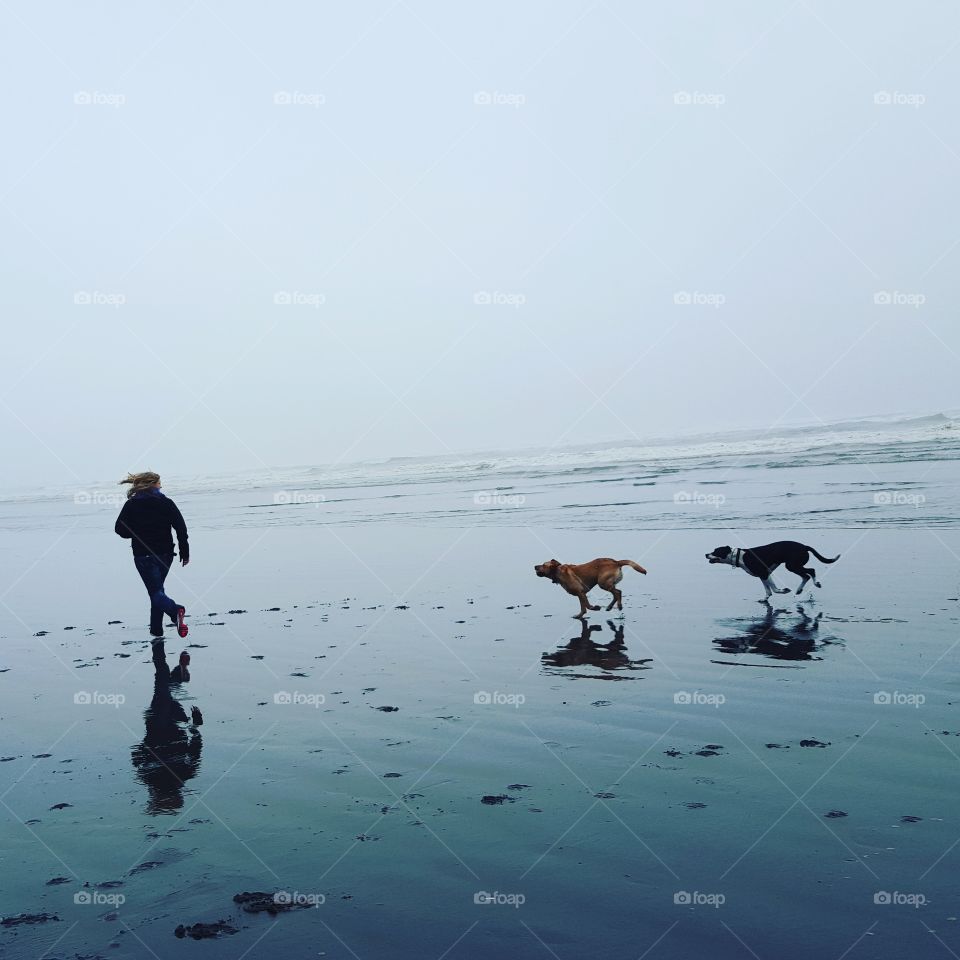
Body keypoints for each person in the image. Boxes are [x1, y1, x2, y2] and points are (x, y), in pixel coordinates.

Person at [115, 471, 189, 638]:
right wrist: (185, 551)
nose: (161, 486)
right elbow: (181, 528)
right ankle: (156, 630)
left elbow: (119, 529)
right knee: (157, 591)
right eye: (159, 483)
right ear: (152, 484)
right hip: (166, 554)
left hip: (143, 556)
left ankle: (175, 610)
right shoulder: (166, 503)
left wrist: (135, 533)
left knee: (155, 592)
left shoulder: (131, 505)